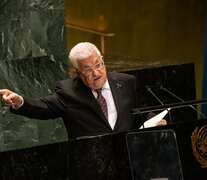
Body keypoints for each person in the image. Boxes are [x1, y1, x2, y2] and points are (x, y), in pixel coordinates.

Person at [0, 42, 166, 139]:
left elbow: (142, 111)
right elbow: (45, 107)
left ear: (102, 61)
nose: (96, 73)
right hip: (91, 163)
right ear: (77, 72)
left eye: (98, 65)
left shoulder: (126, 82)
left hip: (129, 154)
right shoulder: (68, 90)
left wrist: (154, 121)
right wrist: (20, 101)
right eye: (87, 70)